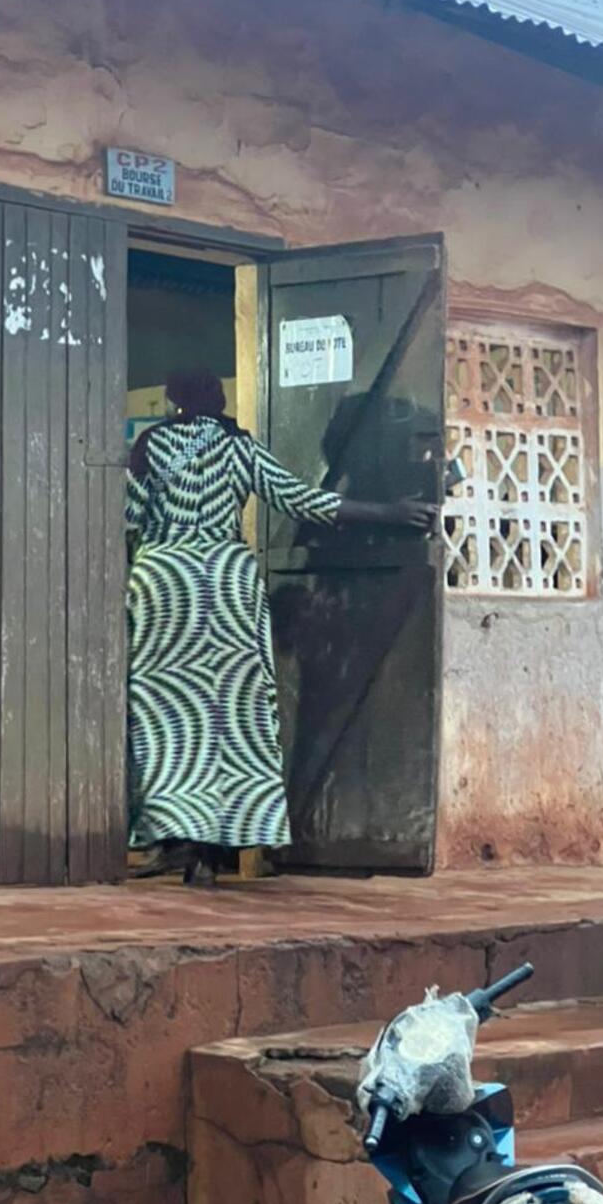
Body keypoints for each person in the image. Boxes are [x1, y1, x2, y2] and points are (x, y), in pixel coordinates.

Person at [126, 370, 436, 887]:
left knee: (165, 715)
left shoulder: (149, 446)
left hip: (165, 581)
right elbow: (302, 498)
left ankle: (168, 833)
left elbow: (127, 515)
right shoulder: (239, 447)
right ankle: (212, 846)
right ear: (218, 399)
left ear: (171, 403)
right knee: (232, 715)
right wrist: (388, 512)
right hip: (227, 581)